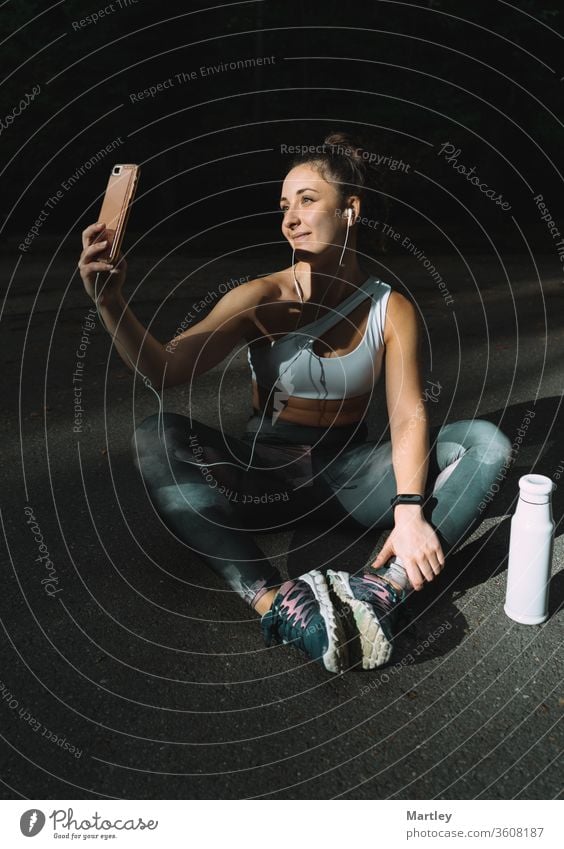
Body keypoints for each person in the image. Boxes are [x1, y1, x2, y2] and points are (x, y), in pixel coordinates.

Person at [78, 131, 512, 675]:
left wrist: (408, 511)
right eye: (285, 206)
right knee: (154, 433)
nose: (290, 218)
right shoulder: (262, 297)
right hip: (263, 476)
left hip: (349, 481)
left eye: (308, 200)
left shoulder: (390, 307)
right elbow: (165, 370)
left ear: (350, 209)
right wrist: (111, 302)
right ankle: (279, 603)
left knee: (486, 445)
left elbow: (406, 415)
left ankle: (382, 589)